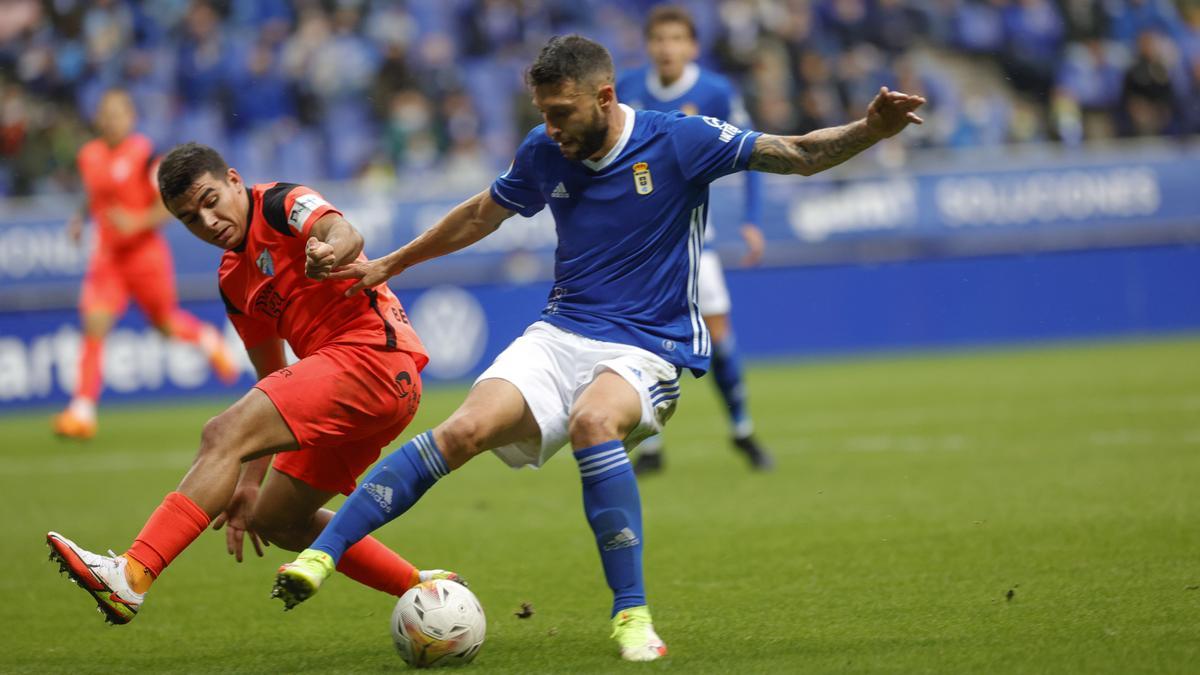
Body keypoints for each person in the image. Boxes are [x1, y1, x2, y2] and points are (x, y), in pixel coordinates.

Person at [274, 35, 924, 662]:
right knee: (464, 427)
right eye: (544, 115)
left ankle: (631, 613)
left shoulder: (679, 140)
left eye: (561, 113)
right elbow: (480, 213)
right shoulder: (543, 150)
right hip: (561, 332)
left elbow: (798, 153)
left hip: (649, 345)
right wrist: (391, 262)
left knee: (593, 421)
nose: (552, 128)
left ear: (605, 95)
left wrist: (869, 129)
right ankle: (319, 554)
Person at [46, 143, 458, 625]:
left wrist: (328, 248)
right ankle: (425, 589)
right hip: (355, 384)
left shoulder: (282, 204)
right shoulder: (232, 280)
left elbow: (343, 231)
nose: (207, 220)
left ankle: (131, 575)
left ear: (235, 181)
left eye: (209, 199)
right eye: (189, 218)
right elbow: (271, 378)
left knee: (221, 434)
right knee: (276, 518)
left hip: (373, 359)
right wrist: (248, 481)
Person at [617, 5, 773, 474]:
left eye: (675, 40)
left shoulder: (715, 92)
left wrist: (752, 219)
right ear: (649, 46)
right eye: (659, 40)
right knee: (638, 342)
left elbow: (755, 152)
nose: (666, 48)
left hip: (694, 239)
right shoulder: (626, 90)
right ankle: (649, 447)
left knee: (718, 336)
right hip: (639, 244)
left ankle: (741, 429)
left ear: (692, 47)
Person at [54, 89, 238, 440]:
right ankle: (81, 411)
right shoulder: (89, 155)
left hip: (145, 256)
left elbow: (167, 206)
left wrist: (135, 222)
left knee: (164, 325)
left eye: (118, 114)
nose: (111, 121)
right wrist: (79, 218)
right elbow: (96, 196)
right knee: (94, 323)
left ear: (131, 118)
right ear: (98, 119)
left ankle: (206, 338)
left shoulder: (145, 156)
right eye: (106, 114)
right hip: (107, 258)